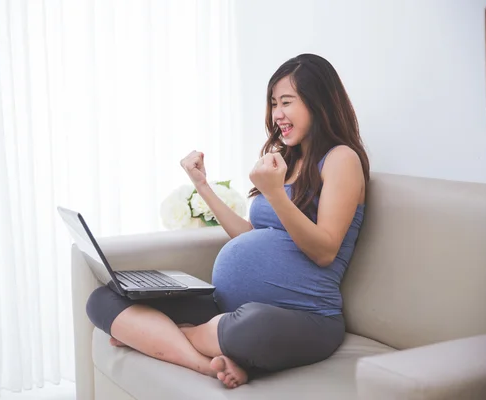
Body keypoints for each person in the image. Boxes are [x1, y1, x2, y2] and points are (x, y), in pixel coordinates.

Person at [86, 53, 369, 389]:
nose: (277, 114)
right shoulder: (285, 158)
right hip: (229, 306)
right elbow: (249, 235)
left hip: (305, 319)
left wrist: (276, 194)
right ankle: (205, 363)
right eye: (273, 103)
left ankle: (160, 336)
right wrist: (202, 185)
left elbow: (324, 251)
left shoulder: (341, 159)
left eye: (287, 102)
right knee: (107, 298)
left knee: (250, 328)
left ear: (318, 102)